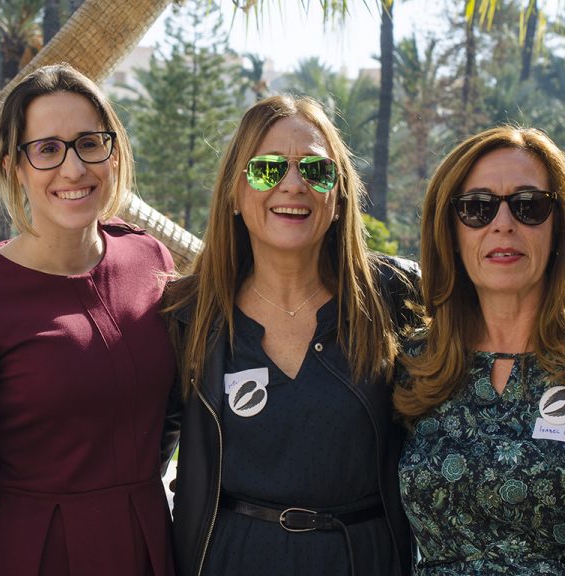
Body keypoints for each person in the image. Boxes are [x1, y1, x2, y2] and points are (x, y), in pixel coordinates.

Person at [0, 63, 178, 576]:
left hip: (151, 545)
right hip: (36, 555)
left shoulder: (149, 260)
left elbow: (169, 419)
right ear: (15, 166)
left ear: (114, 149)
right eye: (47, 149)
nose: (73, 168)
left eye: (89, 143)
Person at [163, 94, 419, 576]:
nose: (294, 185)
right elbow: (134, 462)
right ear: (235, 194)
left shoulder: (395, 299)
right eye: (267, 170)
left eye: (316, 171)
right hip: (231, 560)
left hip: (363, 560)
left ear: (340, 197)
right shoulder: (188, 316)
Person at [395, 127, 565, 574]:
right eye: (477, 208)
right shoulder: (416, 365)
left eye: (528, 205)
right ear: (450, 231)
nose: (503, 223)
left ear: (560, 225)